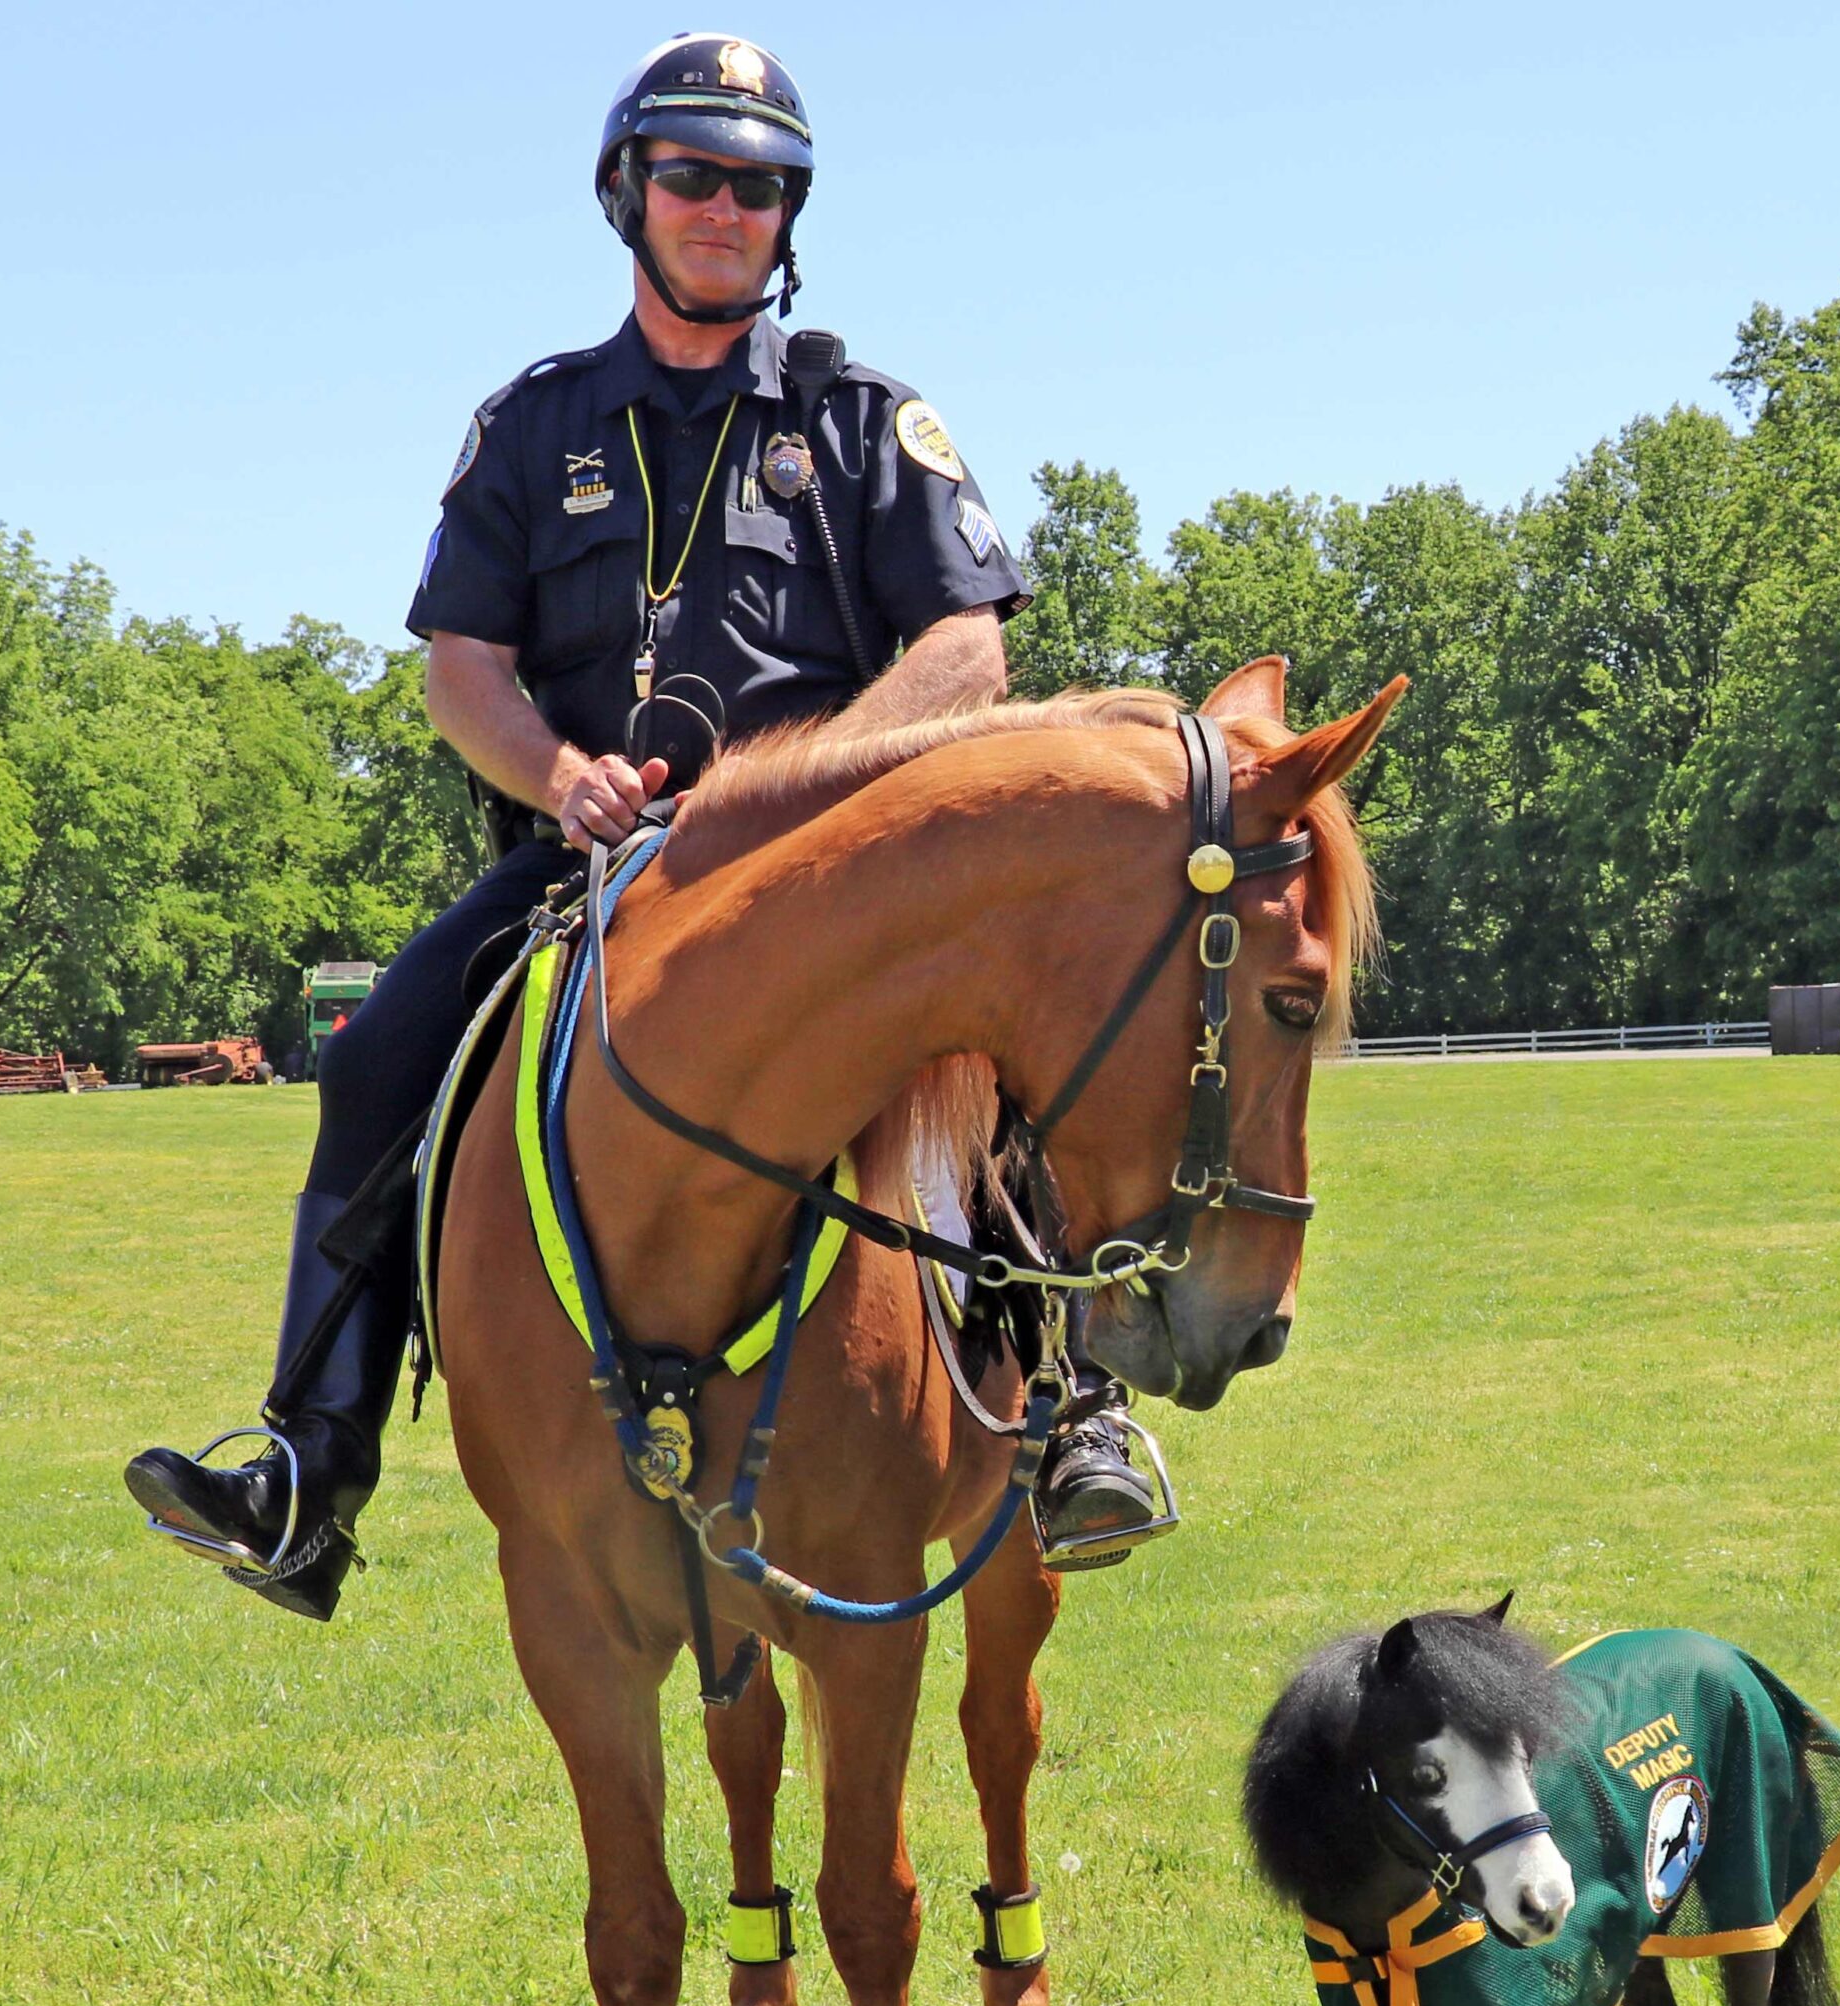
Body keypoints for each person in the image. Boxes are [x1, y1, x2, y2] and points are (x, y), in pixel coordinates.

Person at [125, 32, 1168, 1621]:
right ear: (628, 192)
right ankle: (307, 1465)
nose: (725, 210)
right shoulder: (531, 429)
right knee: (374, 1061)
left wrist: (793, 796)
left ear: (786, 221)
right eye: (693, 175)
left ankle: (1075, 1417)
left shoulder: (868, 421)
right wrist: (557, 774)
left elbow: (969, 651)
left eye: (760, 188)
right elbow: (460, 668)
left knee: (1009, 1048)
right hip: (579, 875)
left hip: (823, 892)